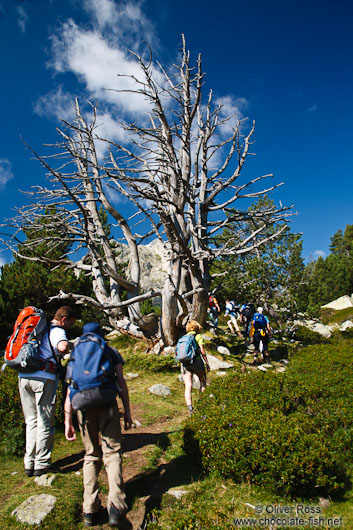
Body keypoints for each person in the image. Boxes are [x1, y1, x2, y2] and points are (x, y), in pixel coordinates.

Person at [64, 323, 133, 529]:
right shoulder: (110, 351)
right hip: (106, 404)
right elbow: (120, 382)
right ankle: (116, 505)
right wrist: (127, 411)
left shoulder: (75, 352)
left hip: (82, 408)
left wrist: (68, 421)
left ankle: (90, 510)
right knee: (112, 453)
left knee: (91, 455)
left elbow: (70, 389)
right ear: (101, 334)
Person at [18, 305, 76, 477]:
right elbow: (62, 347)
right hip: (44, 378)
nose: (69, 327)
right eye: (70, 324)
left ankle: (29, 463)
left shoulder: (37, 329)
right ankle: (42, 463)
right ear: (64, 319)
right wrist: (73, 345)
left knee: (31, 421)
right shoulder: (57, 330)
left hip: (24, 376)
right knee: (44, 421)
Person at [181, 320, 210, 416]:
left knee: (188, 385)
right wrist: (207, 363)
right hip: (196, 362)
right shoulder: (198, 336)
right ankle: (202, 404)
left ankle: (190, 408)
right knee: (203, 381)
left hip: (185, 363)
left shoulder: (183, 337)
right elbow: (202, 351)